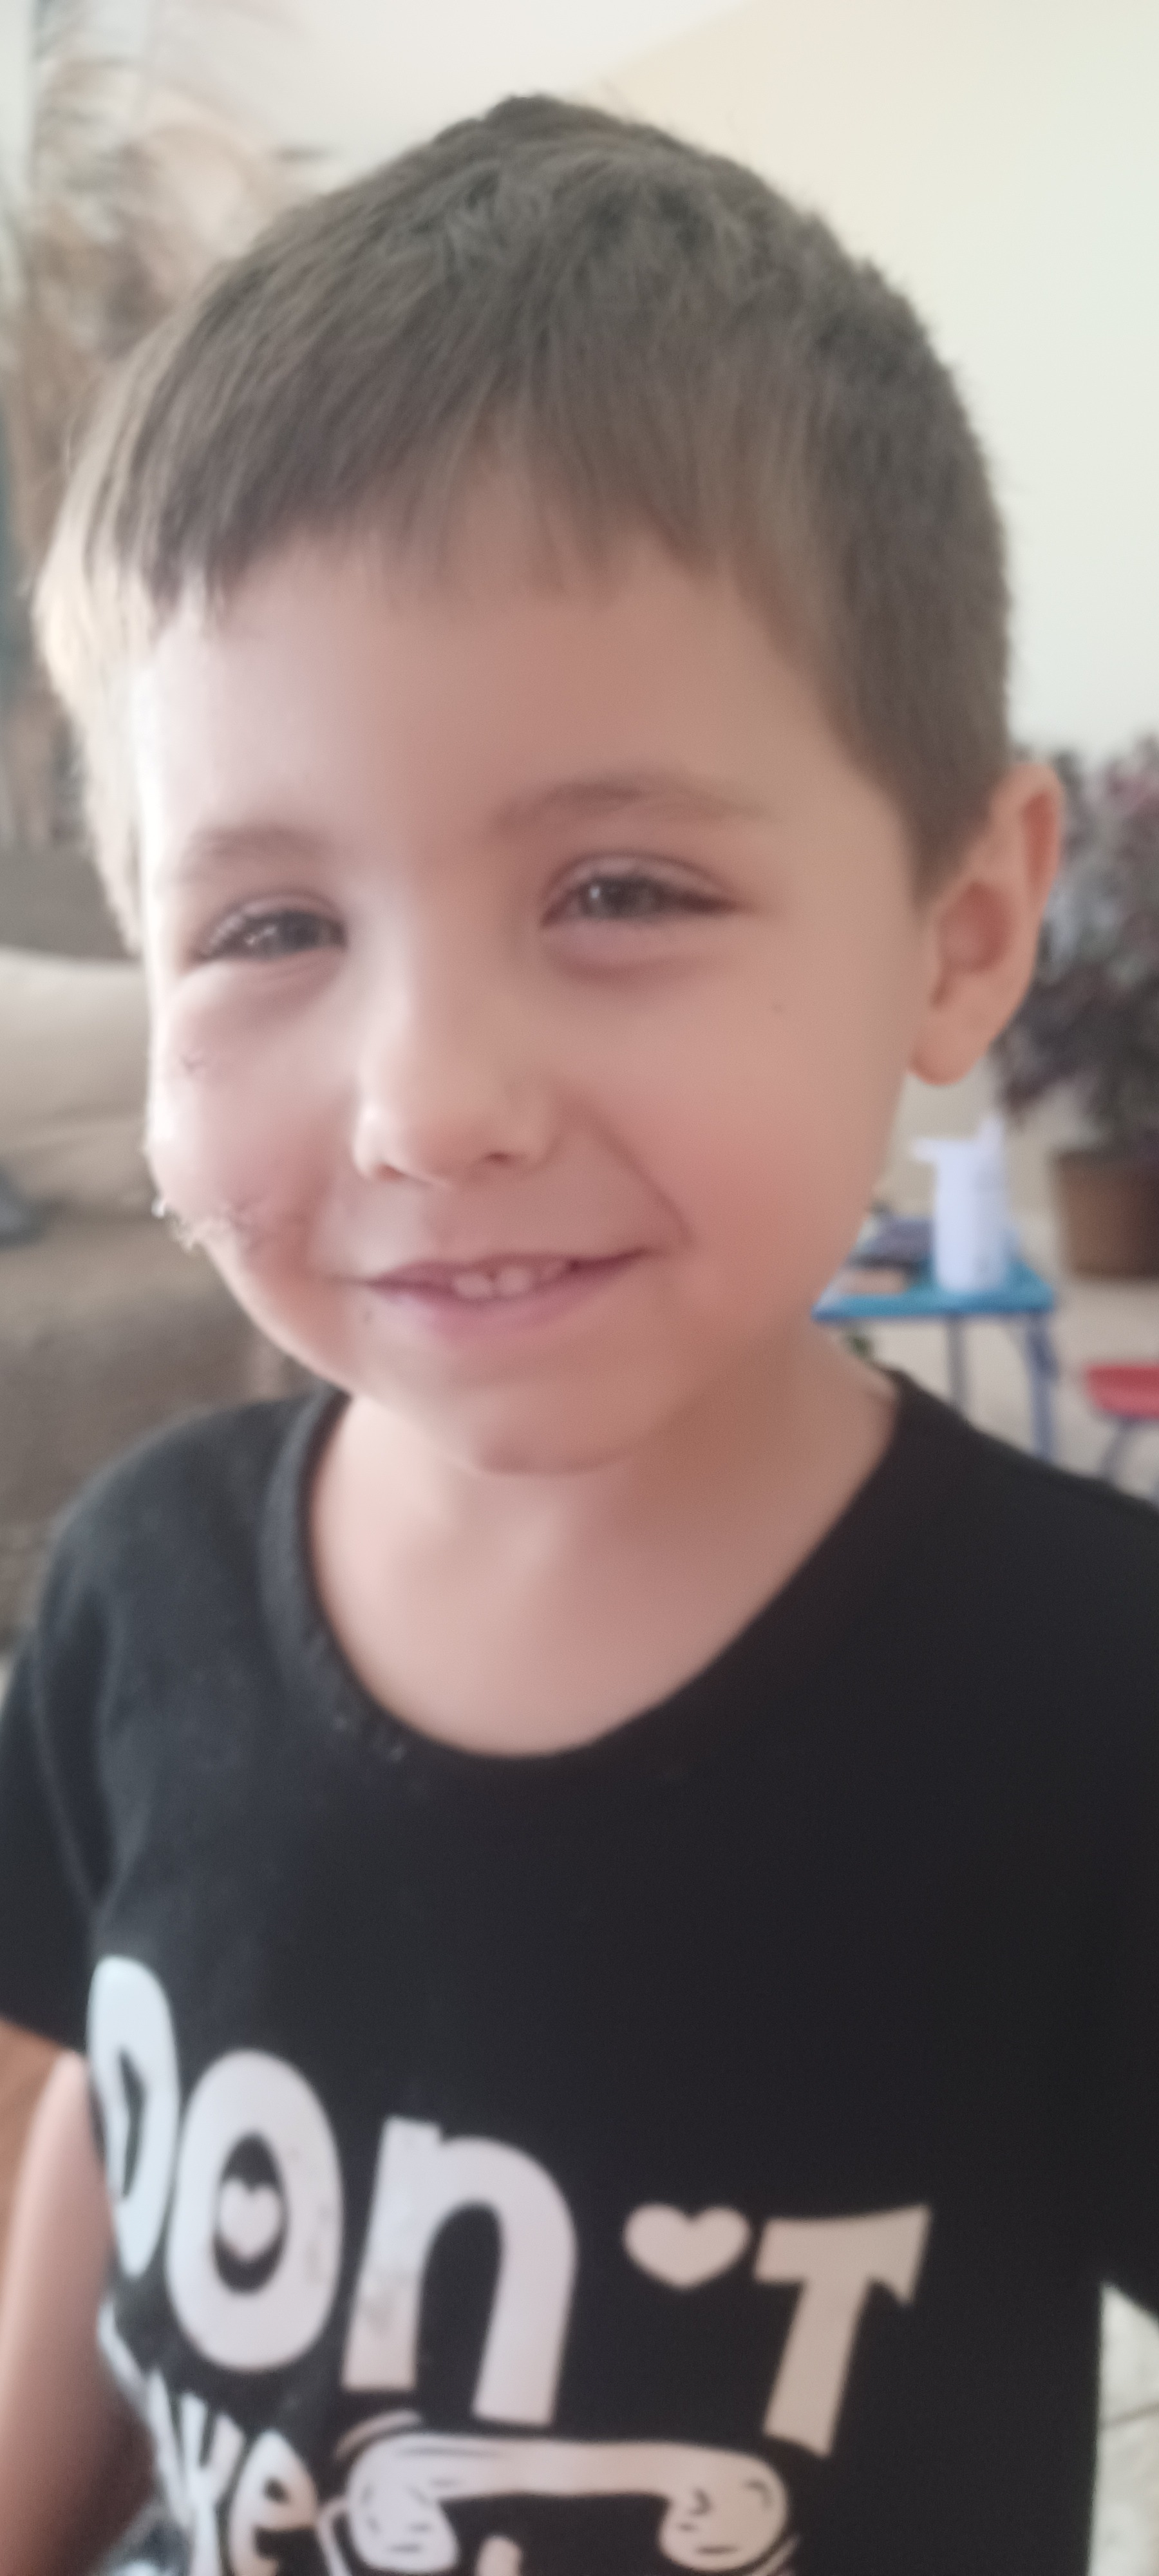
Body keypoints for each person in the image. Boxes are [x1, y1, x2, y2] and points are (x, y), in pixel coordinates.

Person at [0, 90, 1154, 2576]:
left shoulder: (1090, 1709)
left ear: (964, 927)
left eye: (621, 888)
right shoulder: (129, 1584)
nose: (427, 1105)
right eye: (268, 927)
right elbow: (101, 2079)